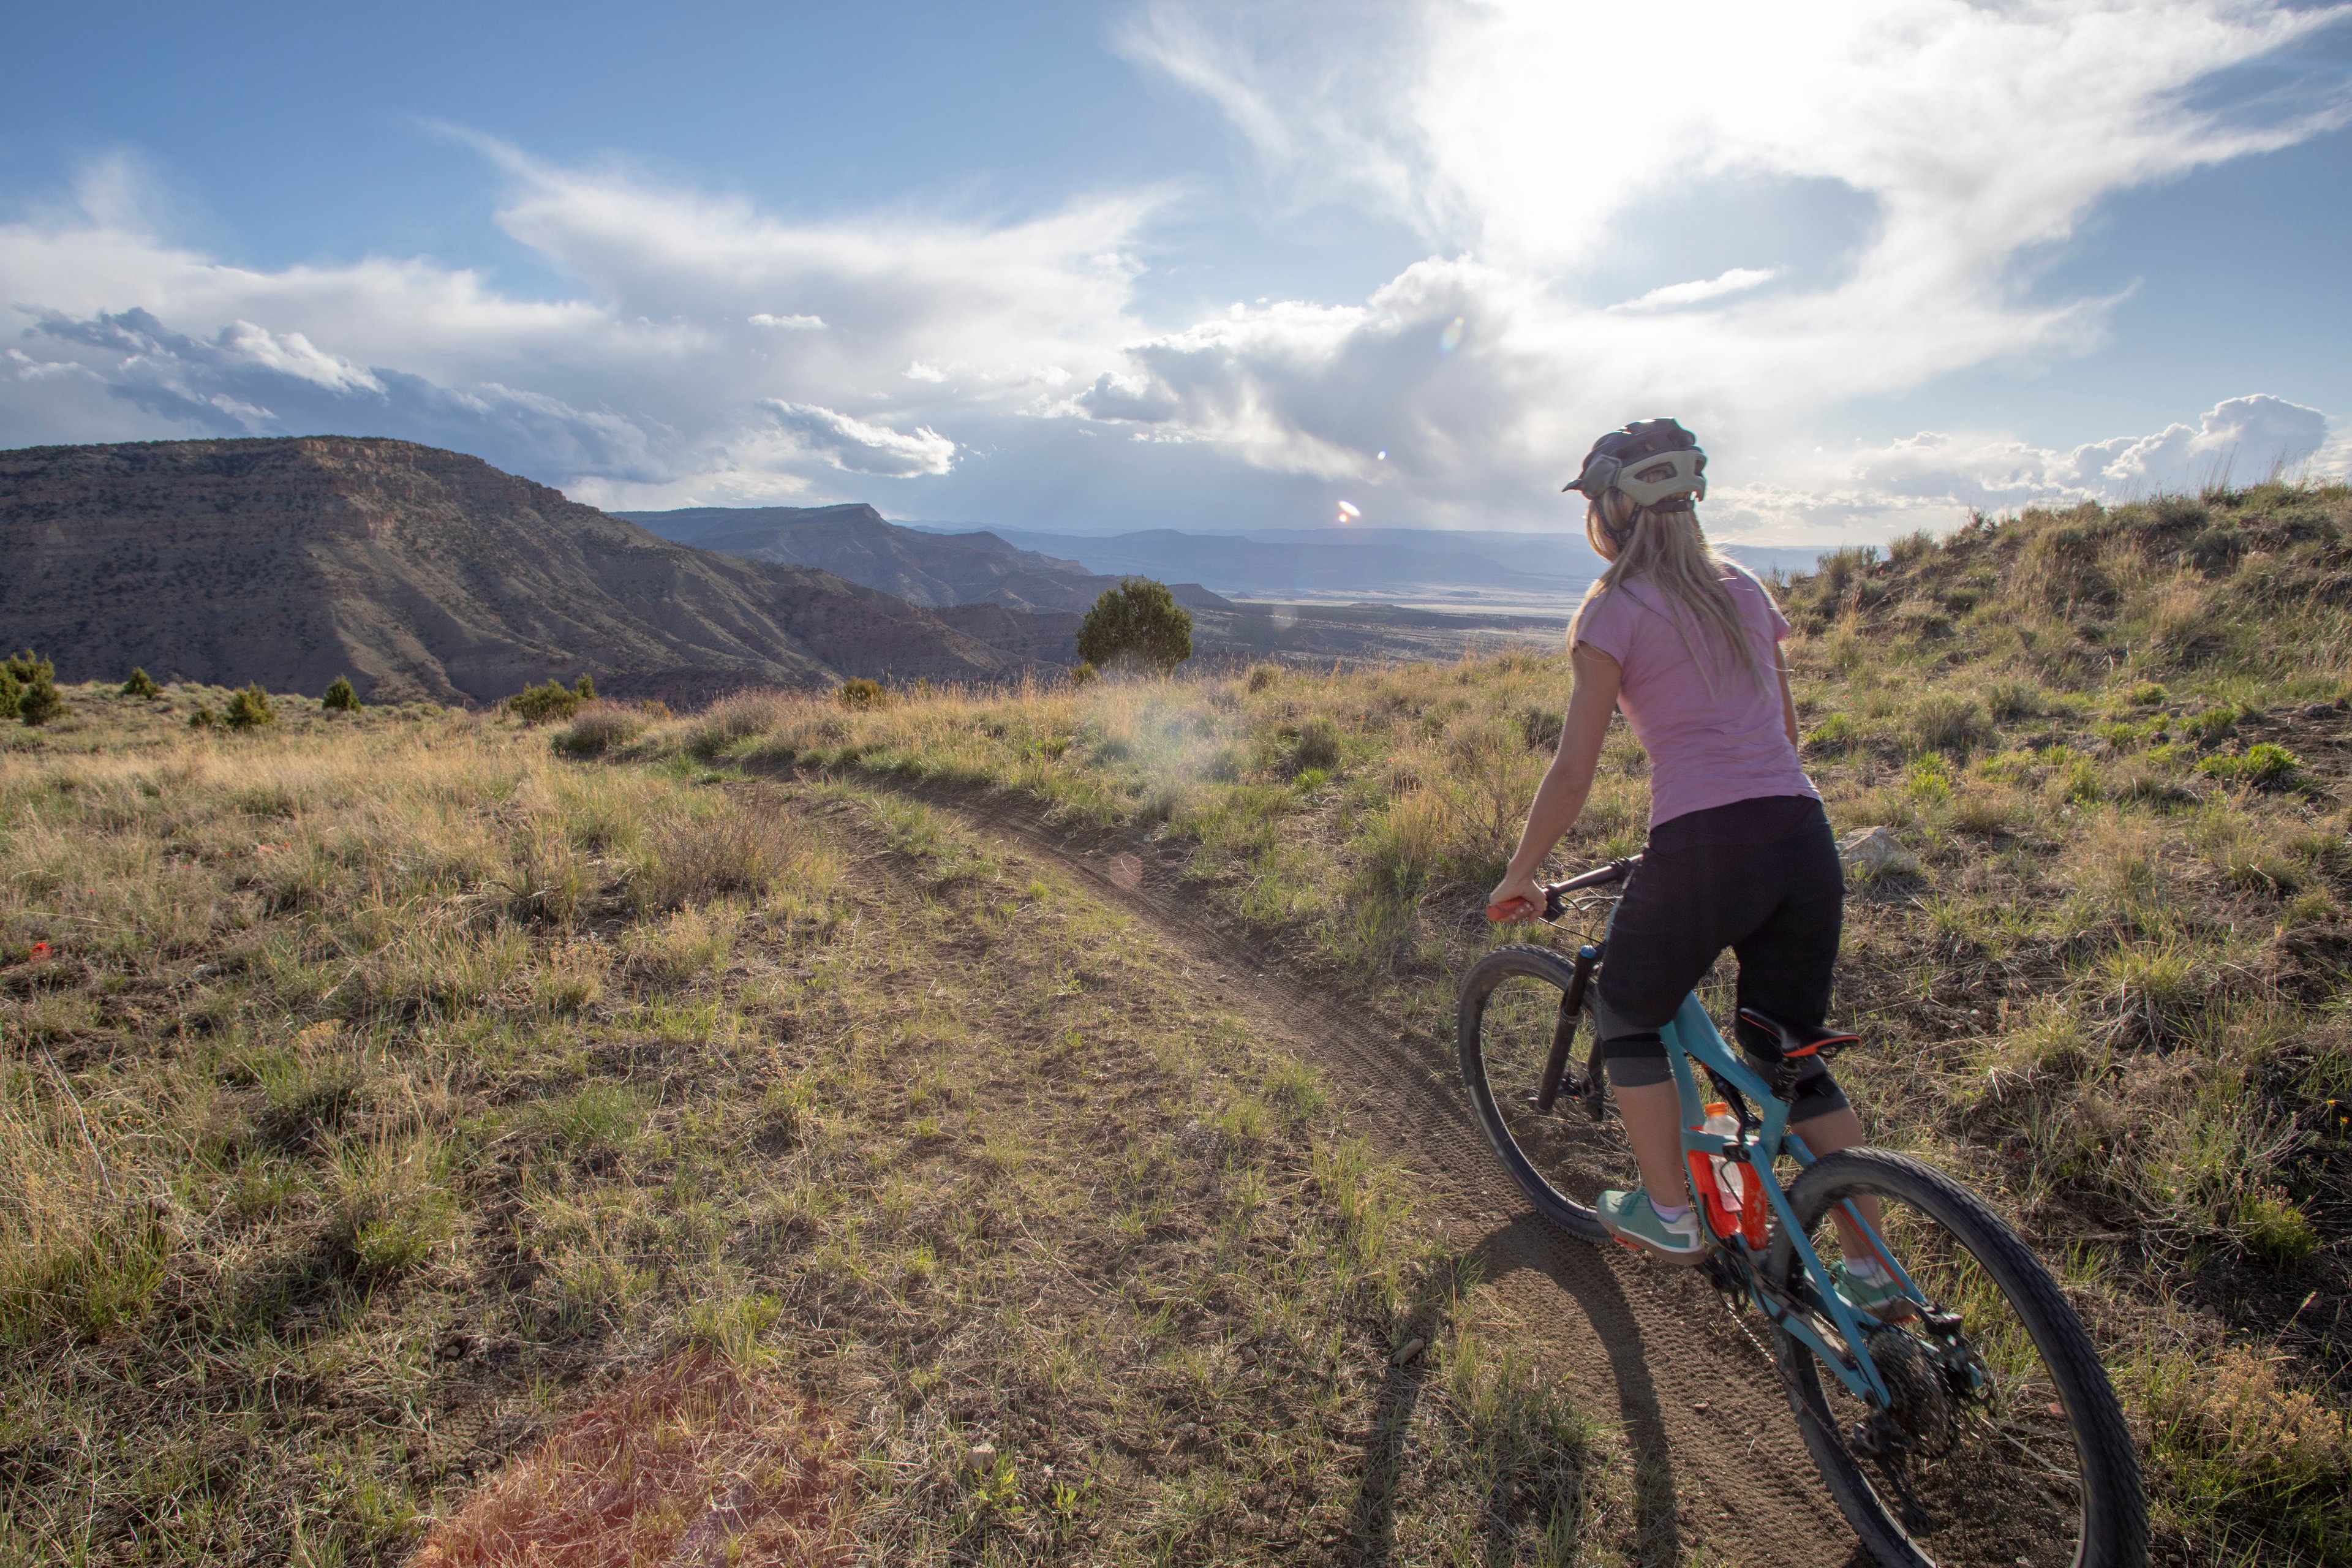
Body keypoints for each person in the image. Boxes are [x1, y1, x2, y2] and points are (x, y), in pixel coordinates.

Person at [1483, 418, 1904, 1320]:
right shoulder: (1744, 590)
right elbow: (1784, 737)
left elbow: (1573, 770)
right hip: (1802, 835)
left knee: (1629, 1008)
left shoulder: (1613, 610)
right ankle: (1873, 1265)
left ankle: (1670, 1213)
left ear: (1612, 510)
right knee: (1788, 1052)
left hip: (1708, 846)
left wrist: (1522, 871)